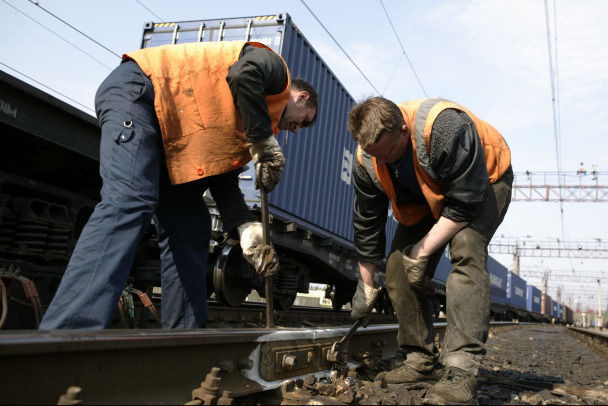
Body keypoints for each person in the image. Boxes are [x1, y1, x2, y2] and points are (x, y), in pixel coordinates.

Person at [39, 41, 318, 329]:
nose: (296, 130)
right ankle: (69, 330)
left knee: (190, 223)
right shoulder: (276, 72)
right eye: (303, 121)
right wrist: (262, 139)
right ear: (300, 97)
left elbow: (220, 175)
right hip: (142, 94)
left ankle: (183, 336)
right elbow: (243, 73)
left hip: (171, 134)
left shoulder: (252, 124)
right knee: (130, 199)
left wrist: (246, 228)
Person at [348, 96, 511, 404]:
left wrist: (422, 252)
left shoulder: (445, 129)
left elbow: (465, 202)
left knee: (466, 253)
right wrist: (366, 285)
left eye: (388, 154)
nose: (381, 163)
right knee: (397, 267)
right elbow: (367, 224)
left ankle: (461, 371)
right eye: (374, 157)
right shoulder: (367, 158)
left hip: (483, 182)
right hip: (428, 194)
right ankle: (419, 361)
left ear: (405, 131)